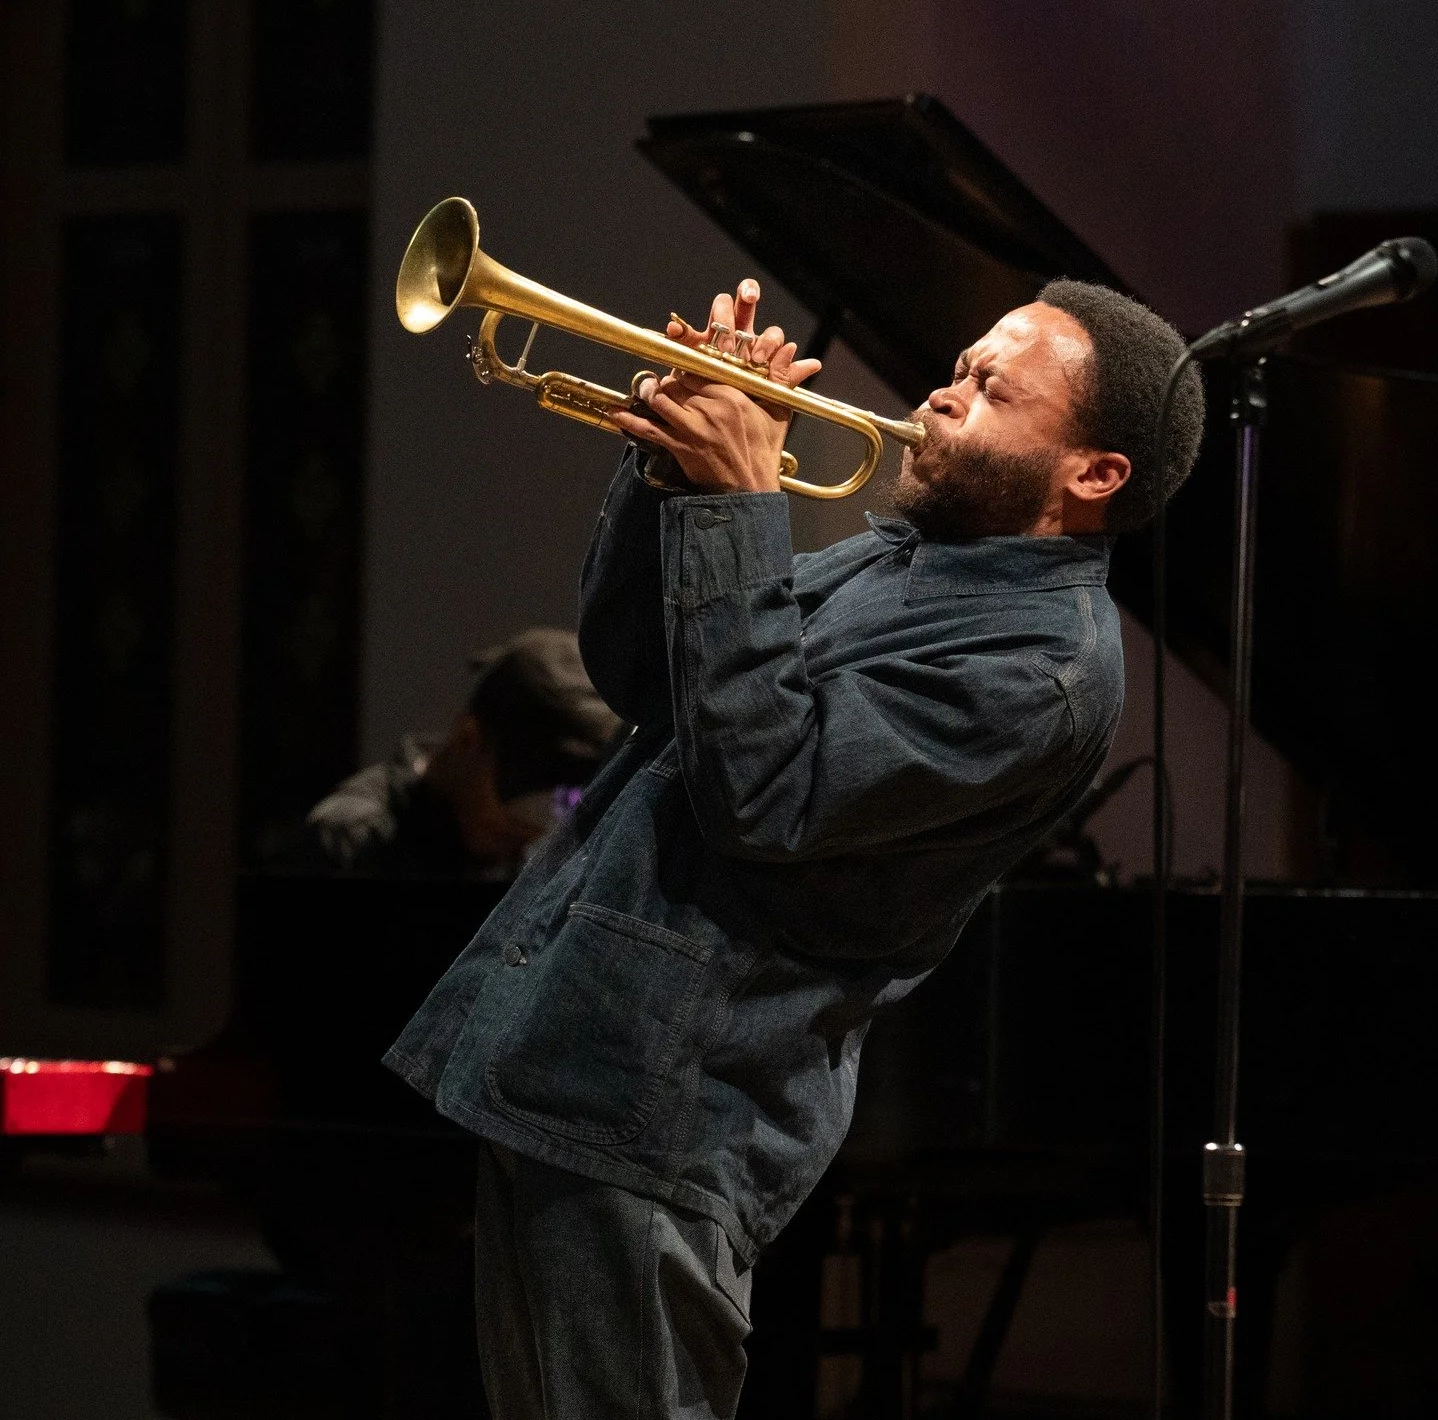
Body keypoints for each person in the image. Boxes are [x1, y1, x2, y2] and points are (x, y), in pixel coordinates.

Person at [384, 277, 1205, 1418]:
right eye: (957, 367)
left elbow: (766, 794)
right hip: (570, 1055)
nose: (942, 392)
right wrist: (670, 479)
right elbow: (643, 681)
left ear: (1094, 474)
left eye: (987, 386)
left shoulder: (1043, 669)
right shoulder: (899, 562)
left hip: (662, 1106)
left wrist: (736, 505)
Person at [294, 627, 618, 879]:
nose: (520, 848)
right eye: (504, 832)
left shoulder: (525, 851)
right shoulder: (351, 842)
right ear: (468, 739)